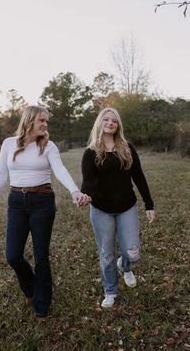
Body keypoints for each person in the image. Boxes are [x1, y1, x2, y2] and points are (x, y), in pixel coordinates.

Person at [0, 105, 90, 317]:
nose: (45, 124)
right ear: (30, 120)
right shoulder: (8, 144)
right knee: (13, 255)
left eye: (46, 121)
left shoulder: (48, 146)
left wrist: (74, 191)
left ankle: (42, 304)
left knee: (41, 255)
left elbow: (59, 170)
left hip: (42, 201)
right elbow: (0, 174)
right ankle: (31, 287)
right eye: (42, 120)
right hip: (16, 202)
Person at [81, 108, 155, 308]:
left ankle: (125, 266)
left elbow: (138, 176)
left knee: (132, 252)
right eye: (106, 119)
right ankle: (110, 290)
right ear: (100, 122)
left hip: (126, 207)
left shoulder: (127, 147)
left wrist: (149, 204)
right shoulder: (91, 152)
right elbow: (88, 182)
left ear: (118, 125)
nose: (110, 123)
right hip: (101, 209)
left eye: (114, 120)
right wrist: (84, 195)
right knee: (107, 254)